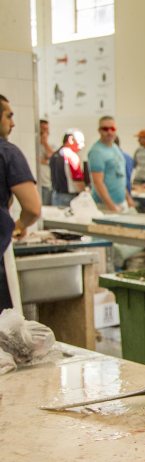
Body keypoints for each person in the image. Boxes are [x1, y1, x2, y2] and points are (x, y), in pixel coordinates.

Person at [0, 95, 42, 309]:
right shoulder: (8, 153)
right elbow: (32, 208)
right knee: (6, 326)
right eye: (9, 116)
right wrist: (19, 226)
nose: (13, 123)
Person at [88, 116, 135, 212]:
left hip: (121, 203)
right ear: (99, 131)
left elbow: (120, 176)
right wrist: (112, 207)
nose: (109, 132)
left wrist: (128, 199)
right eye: (105, 129)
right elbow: (98, 183)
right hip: (106, 206)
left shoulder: (115, 148)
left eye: (112, 129)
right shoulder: (97, 152)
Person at [49, 129, 86, 207]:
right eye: (81, 142)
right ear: (71, 139)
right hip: (69, 197)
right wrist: (85, 194)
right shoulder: (71, 155)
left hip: (56, 195)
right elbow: (77, 179)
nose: (82, 146)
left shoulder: (55, 155)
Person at [38, 119, 53, 206]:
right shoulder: (34, 145)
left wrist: (45, 143)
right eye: (43, 129)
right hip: (38, 183)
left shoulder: (49, 145)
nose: (45, 131)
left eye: (47, 129)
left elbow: (52, 158)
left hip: (47, 184)